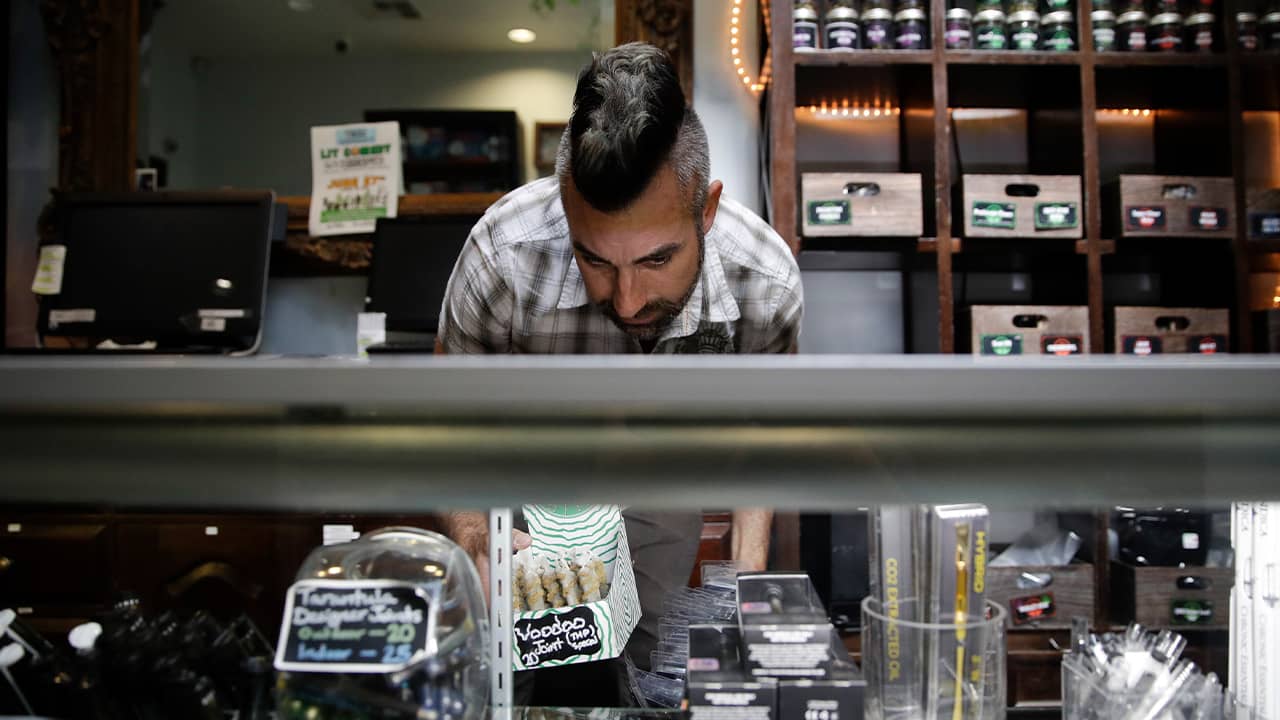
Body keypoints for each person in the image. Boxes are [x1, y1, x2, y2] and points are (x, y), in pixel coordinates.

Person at [436, 41, 803, 704]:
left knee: (648, 693)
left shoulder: (763, 282)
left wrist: (746, 585)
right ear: (563, 206)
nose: (628, 301)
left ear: (708, 211)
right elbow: (444, 419)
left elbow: (763, 438)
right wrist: (474, 535)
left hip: (664, 510)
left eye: (656, 261)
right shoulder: (502, 257)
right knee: (522, 699)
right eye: (597, 261)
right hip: (526, 524)